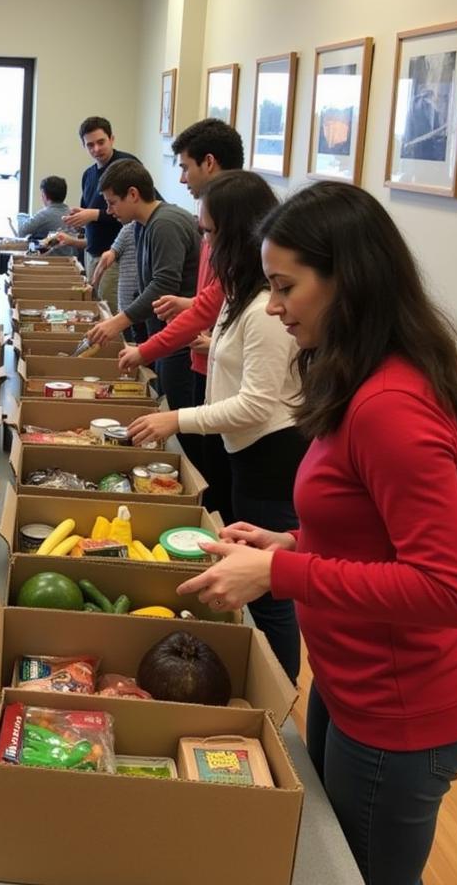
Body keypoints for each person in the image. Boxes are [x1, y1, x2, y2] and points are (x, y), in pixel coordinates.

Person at [175, 181, 457, 885]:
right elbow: (372, 534)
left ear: (347, 281)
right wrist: (290, 544)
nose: (275, 305)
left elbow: (450, 590)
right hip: (350, 679)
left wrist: (284, 575)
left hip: (401, 707)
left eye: (286, 286)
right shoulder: (360, 376)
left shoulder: (391, 407)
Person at [125, 170, 304, 682]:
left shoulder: (263, 310)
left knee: (269, 591)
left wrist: (174, 419)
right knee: (253, 572)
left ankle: (279, 687)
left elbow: (255, 405)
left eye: (209, 233)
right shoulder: (238, 292)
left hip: (271, 454)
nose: (204, 243)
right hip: (245, 450)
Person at [118, 117, 245, 505]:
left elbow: (214, 302)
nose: (182, 177)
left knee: (220, 485)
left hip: (220, 374)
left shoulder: (229, 226)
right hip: (206, 360)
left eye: (185, 166)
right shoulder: (211, 218)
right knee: (210, 475)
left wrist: (144, 349)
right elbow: (211, 299)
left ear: (209, 163)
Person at [86, 160, 200, 419]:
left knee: (177, 414)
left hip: (181, 341)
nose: (109, 210)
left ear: (134, 194)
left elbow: (163, 285)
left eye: (112, 202)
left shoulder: (165, 224)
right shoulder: (140, 226)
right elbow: (146, 284)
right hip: (162, 337)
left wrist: (118, 321)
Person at [62, 116, 149, 313]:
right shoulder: (88, 174)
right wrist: (79, 218)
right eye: (90, 145)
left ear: (112, 139)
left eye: (101, 142)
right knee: (96, 306)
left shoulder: (126, 164)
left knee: (109, 311)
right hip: (92, 253)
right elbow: (89, 211)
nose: (96, 149)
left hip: (118, 256)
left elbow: (136, 210)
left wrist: (94, 215)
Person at [23, 175, 79, 257]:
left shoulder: (44, 214)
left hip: (51, 260)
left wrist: (21, 218)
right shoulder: (72, 213)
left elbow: (22, 231)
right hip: (71, 261)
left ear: (44, 195)